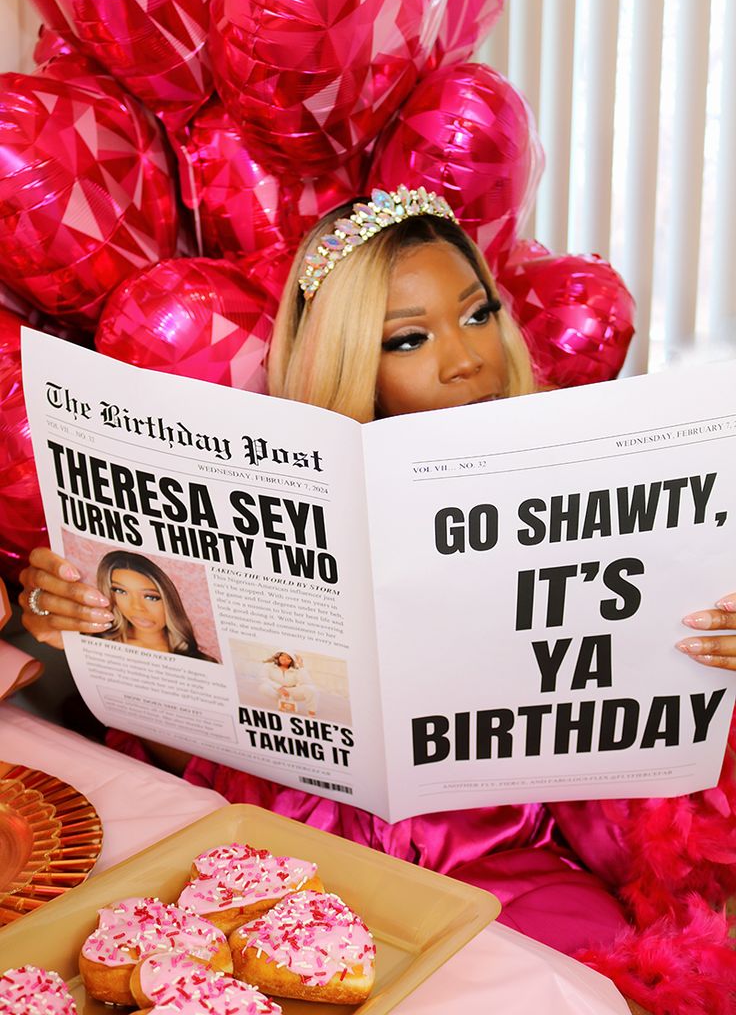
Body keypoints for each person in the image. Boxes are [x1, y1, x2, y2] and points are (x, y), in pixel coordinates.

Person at [18, 186, 736, 1014]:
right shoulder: (279, 500)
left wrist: (708, 652)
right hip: (312, 850)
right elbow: (198, 748)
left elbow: (645, 776)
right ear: (353, 356)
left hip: (525, 856)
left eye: (476, 315)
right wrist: (87, 626)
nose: (467, 359)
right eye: (408, 338)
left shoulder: (589, 483)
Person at [86, 550, 214, 661]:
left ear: (169, 600)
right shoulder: (95, 644)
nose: (137, 607)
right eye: (121, 591)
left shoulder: (200, 661)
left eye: (151, 597)